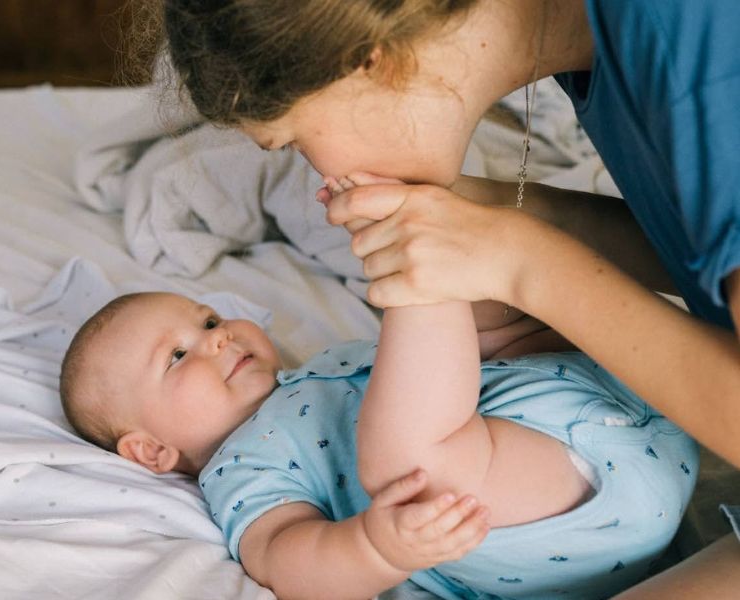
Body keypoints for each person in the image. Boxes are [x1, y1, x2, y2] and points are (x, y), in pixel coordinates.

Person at [156, 0, 740, 594]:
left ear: (366, 61)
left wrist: (520, 261)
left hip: (626, 450)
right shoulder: (599, 46)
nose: (316, 169)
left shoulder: (697, 51)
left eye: (293, 143)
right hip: (617, 448)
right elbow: (701, 244)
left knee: (412, 465)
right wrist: (500, 221)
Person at [59, 285, 697, 599]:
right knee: (412, 459)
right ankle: (423, 279)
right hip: (560, 507)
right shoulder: (238, 468)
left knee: (485, 315)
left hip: (627, 402)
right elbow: (283, 556)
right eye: (177, 355)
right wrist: (374, 546)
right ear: (150, 451)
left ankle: (449, 265)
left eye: (207, 319)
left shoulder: (322, 364)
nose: (217, 337)